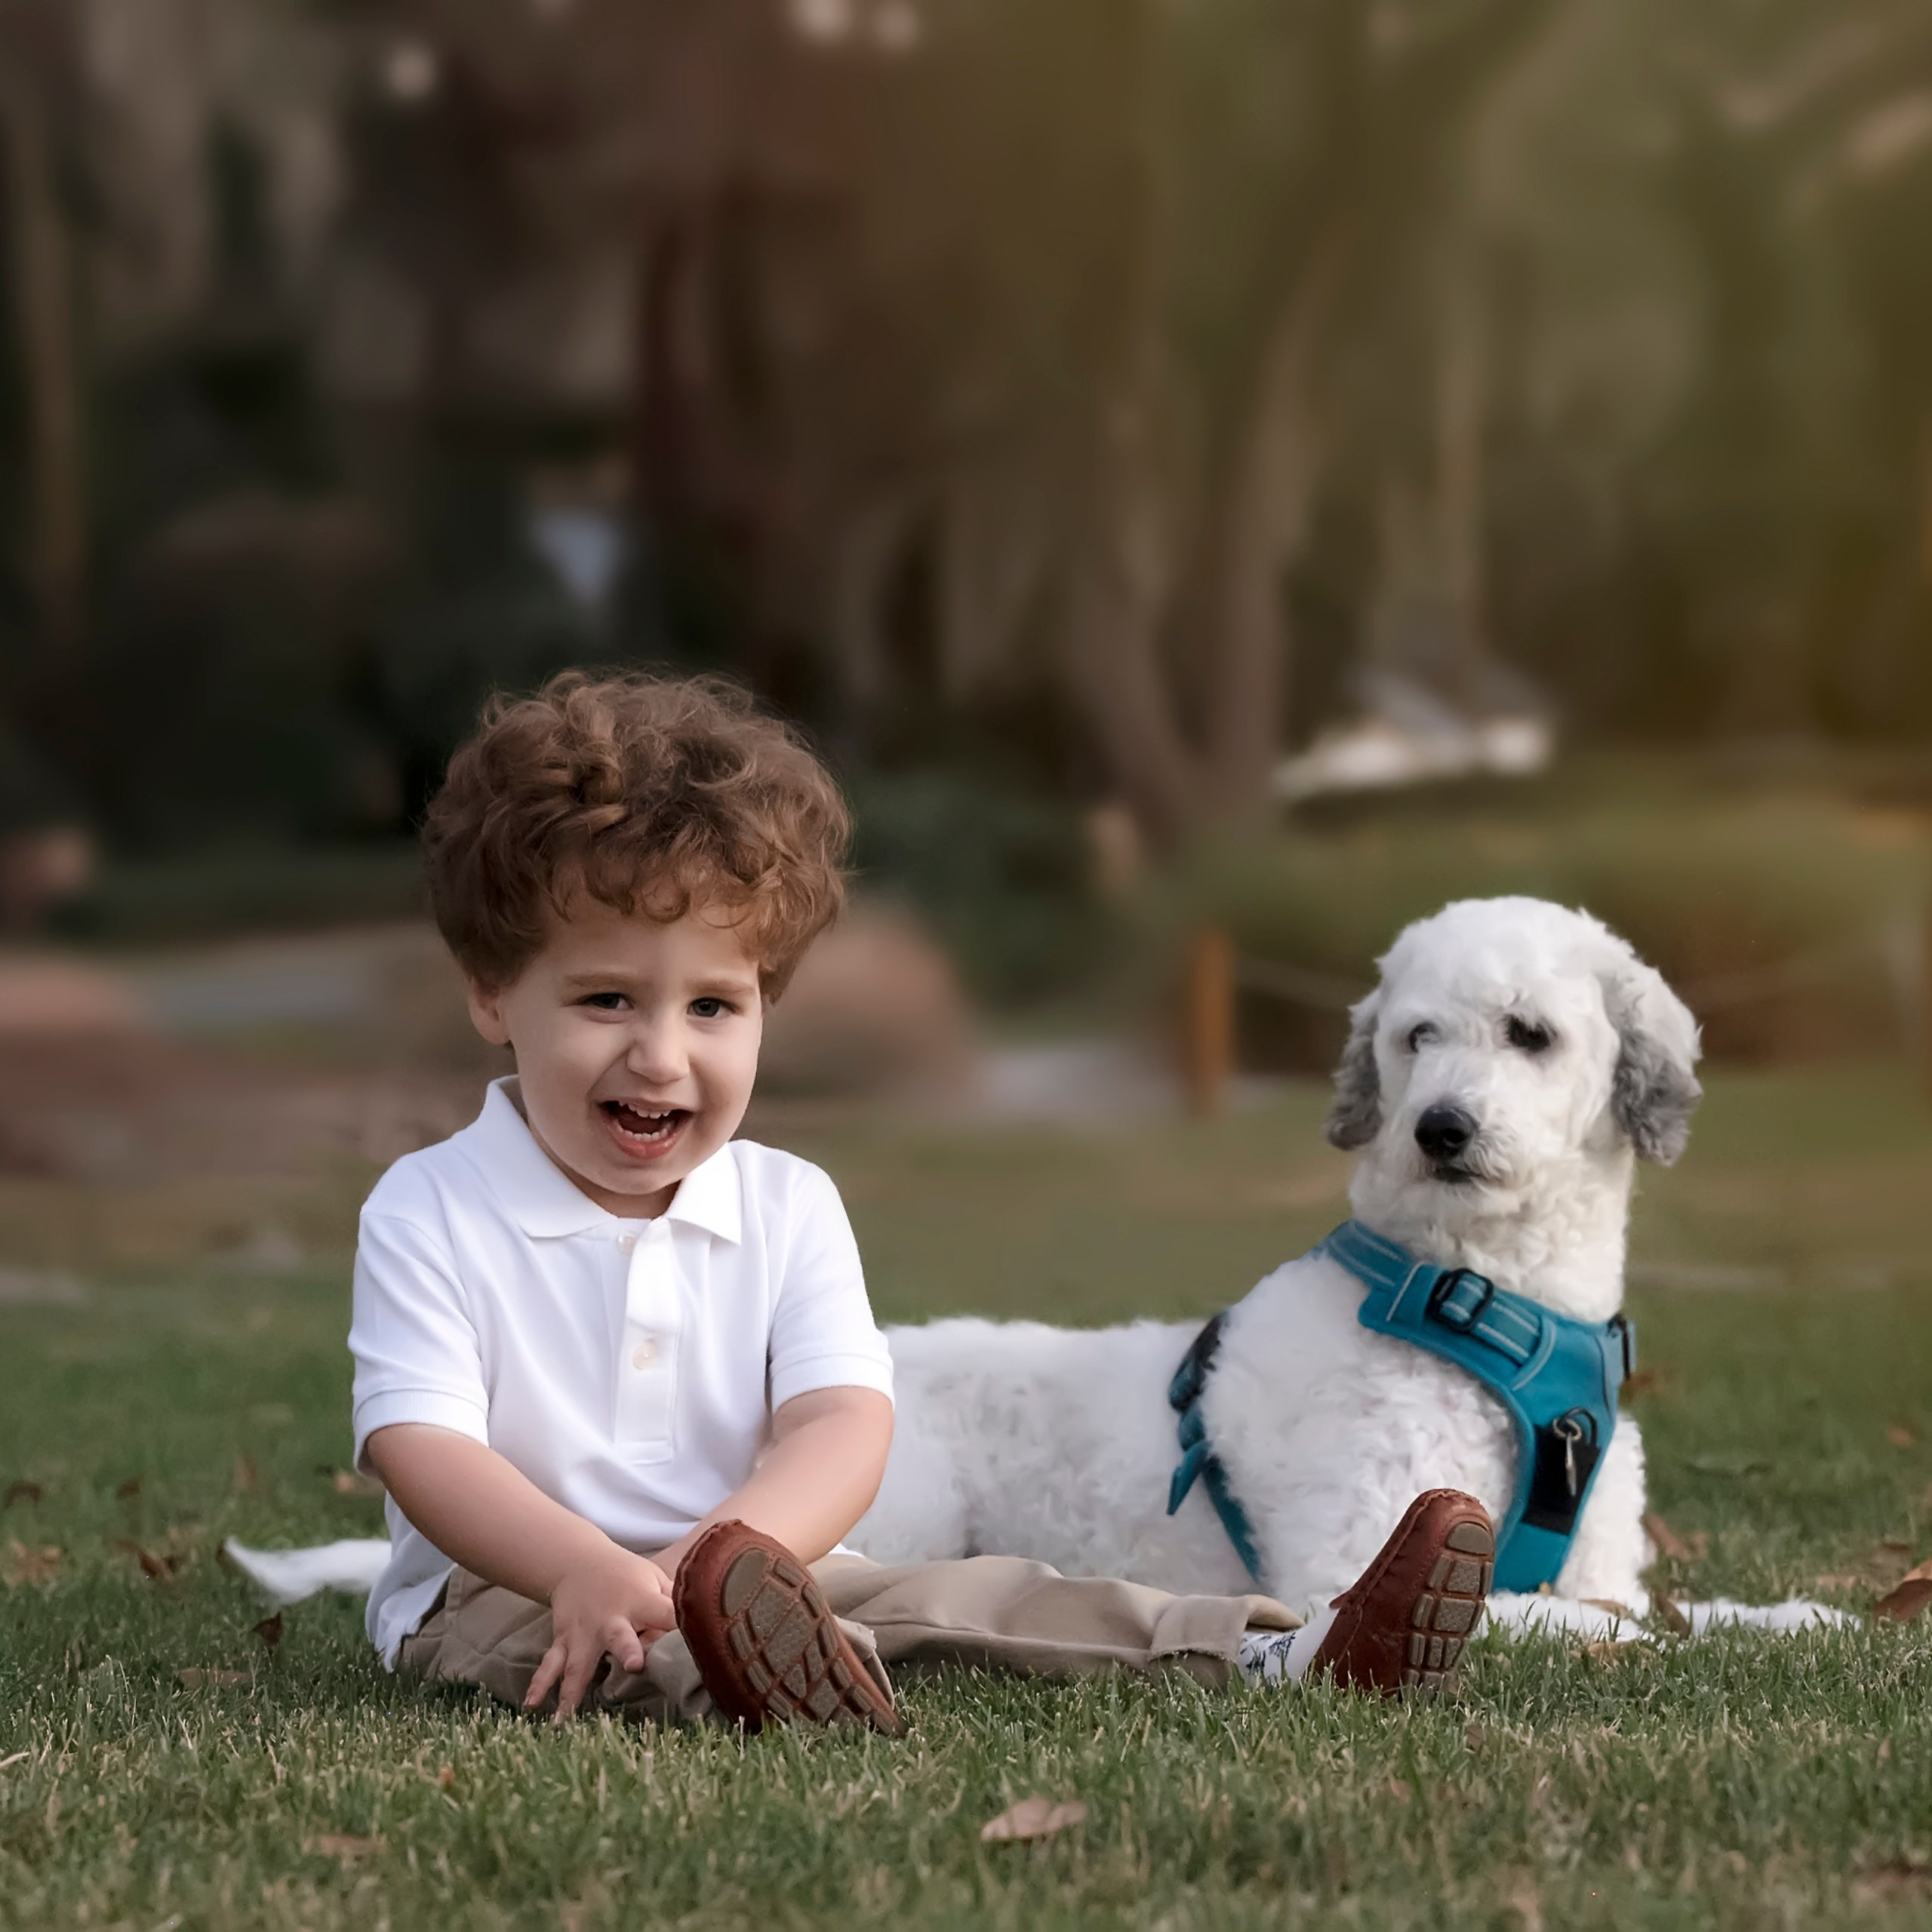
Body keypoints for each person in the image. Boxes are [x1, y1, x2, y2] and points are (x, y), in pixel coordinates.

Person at [349, 671, 1494, 1732]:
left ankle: (1282, 1652)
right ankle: (770, 1677)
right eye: (607, 999)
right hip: (502, 1582)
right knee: (602, 1649)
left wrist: (721, 1560)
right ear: (494, 992)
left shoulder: (788, 1205)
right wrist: (584, 1570)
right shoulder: (435, 1209)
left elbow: (840, 1426)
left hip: (758, 1562)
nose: (660, 1056)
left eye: (712, 1008)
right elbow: (423, 1444)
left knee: (986, 1597)